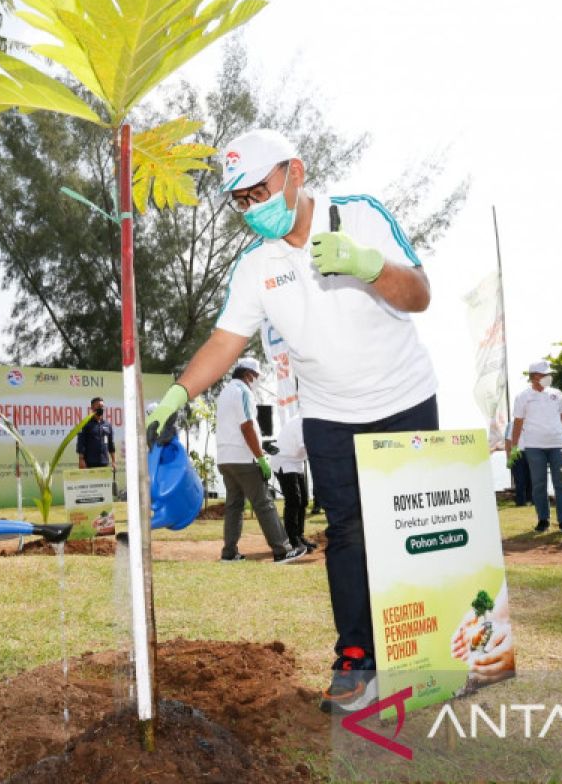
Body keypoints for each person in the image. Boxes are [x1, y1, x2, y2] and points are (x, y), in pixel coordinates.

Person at [145, 128, 438, 714]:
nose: (252, 209)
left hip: (405, 400)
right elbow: (226, 341)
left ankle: (428, 658)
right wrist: (177, 393)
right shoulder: (256, 265)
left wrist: (368, 265)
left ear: (295, 173)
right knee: (349, 535)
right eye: (241, 200)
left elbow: (419, 295)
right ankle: (357, 659)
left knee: (414, 534)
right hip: (329, 415)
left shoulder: (359, 217)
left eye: (258, 191)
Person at [214, 357, 305, 564]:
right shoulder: (243, 392)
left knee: (234, 506)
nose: (257, 381)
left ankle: (229, 552)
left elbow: (237, 429)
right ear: (248, 375)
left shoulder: (225, 392)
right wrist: (261, 458)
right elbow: (246, 426)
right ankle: (282, 549)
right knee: (264, 503)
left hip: (225, 458)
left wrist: (262, 443)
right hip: (244, 459)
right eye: (256, 377)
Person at [507, 360, 562, 534]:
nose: (548, 377)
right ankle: (543, 520)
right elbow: (518, 423)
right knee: (539, 485)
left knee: (561, 484)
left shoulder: (556, 394)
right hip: (534, 446)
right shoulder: (523, 397)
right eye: (545, 374)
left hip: (559, 444)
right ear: (534, 377)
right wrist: (515, 446)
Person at [270, 413, 315, 552]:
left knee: (304, 501)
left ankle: (299, 536)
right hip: (283, 461)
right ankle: (292, 539)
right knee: (294, 501)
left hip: (296, 462)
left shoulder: (310, 420)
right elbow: (307, 447)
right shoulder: (302, 422)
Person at [76, 396, 116, 470]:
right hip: (90, 463)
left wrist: (113, 461)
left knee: (104, 482)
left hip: (104, 462)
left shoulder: (107, 425)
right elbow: (81, 443)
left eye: (102, 406)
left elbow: (111, 444)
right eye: (99, 406)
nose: (101, 408)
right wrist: (81, 460)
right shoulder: (85, 424)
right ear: (92, 408)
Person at [504, 417, 532, 507]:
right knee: (519, 479)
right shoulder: (512, 424)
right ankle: (521, 502)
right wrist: (508, 458)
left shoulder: (532, 423)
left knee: (531, 478)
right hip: (517, 453)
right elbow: (508, 441)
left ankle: (531, 500)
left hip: (530, 452)